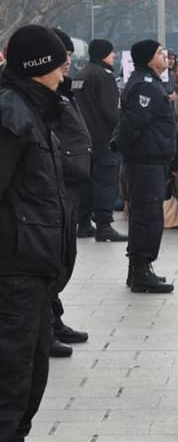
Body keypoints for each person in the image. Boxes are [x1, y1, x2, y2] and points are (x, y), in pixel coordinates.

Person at [0, 24, 70, 442]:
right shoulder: (12, 113)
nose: (65, 71)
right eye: (59, 62)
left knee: (30, 372)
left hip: (35, 265)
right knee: (12, 375)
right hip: (15, 269)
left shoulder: (34, 110)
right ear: (38, 67)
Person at [113, 39, 176, 294]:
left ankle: (140, 269)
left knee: (146, 214)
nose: (165, 56)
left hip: (150, 159)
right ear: (150, 58)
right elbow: (133, 124)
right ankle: (141, 272)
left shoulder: (148, 81)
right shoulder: (145, 85)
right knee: (147, 217)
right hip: (145, 161)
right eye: (161, 53)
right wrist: (123, 147)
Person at [49, 29, 93, 358]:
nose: (68, 60)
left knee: (64, 256)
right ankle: (44, 326)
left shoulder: (62, 90)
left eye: (68, 53)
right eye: (61, 54)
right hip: (54, 186)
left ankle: (54, 318)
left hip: (71, 185)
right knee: (49, 259)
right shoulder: (34, 99)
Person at [73, 38, 127, 242]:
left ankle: (84, 223)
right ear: (104, 53)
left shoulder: (80, 74)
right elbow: (111, 111)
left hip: (84, 138)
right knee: (105, 181)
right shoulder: (104, 76)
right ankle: (104, 224)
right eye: (112, 52)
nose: (114, 56)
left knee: (86, 182)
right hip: (103, 139)